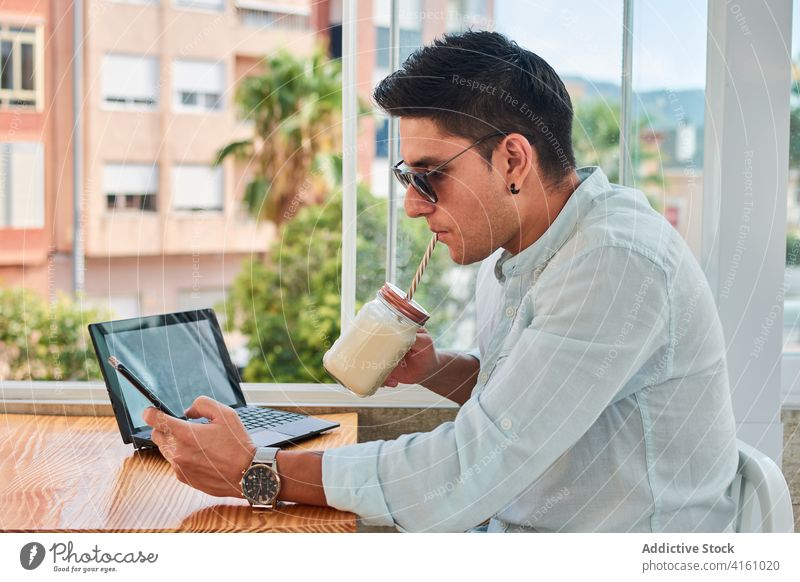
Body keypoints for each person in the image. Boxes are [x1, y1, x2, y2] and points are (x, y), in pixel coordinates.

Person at [143, 31, 738, 533]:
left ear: (512, 161)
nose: (410, 205)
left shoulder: (614, 264)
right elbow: (538, 394)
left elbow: (471, 468)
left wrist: (259, 470)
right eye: (407, 176)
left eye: (428, 177)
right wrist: (438, 370)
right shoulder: (521, 245)